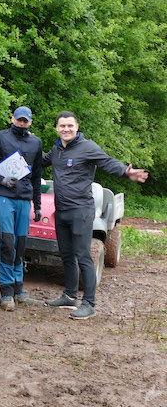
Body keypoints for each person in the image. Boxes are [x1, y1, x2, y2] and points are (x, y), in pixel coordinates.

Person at [43, 111, 148, 320]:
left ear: (77, 126)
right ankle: (69, 296)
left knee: (83, 255)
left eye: (70, 126)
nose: (66, 129)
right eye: (62, 126)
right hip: (61, 210)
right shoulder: (56, 150)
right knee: (66, 254)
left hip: (81, 210)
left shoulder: (87, 147)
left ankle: (89, 304)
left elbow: (107, 161)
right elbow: (38, 162)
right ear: (56, 128)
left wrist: (126, 172)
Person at [0, 106, 43, 311]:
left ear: (30, 122)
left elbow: (36, 176)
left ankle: (19, 290)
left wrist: (38, 205)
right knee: (7, 242)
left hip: (24, 197)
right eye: (19, 120)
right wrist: (1, 179)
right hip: (3, 195)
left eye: (25, 121)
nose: (22, 123)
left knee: (21, 244)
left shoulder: (36, 142)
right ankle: (6, 293)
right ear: (12, 118)